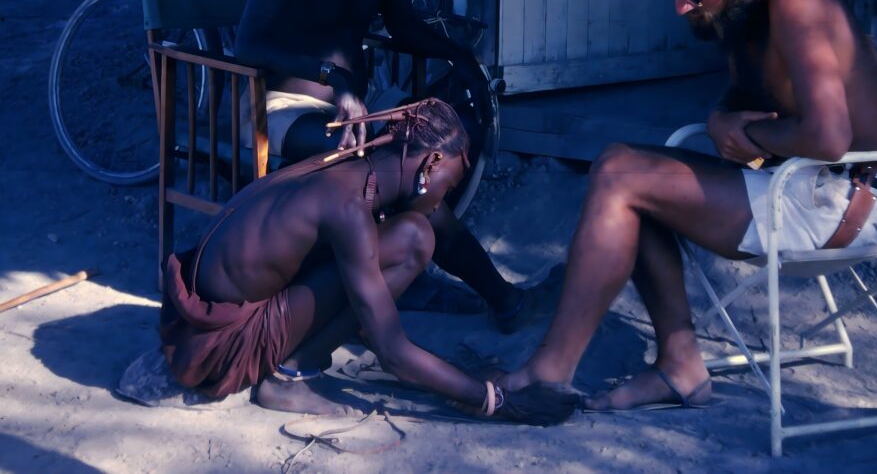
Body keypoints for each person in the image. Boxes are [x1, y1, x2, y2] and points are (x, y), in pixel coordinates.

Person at [500, 0, 877, 410]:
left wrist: (754, 140)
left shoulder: (798, 2)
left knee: (621, 177)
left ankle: (550, 371)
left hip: (845, 202)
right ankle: (678, 366)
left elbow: (829, 138)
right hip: (800, 182)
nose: (682, 7)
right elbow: (742, 99)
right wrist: (720, 121)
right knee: (618, 170)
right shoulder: (741, 5)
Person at [233, 0, 538, 332]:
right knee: (396, 166)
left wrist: (460, 56)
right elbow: (248, 44)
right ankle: (492, 294)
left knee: (426, 152)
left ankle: (412, 270)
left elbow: (402, 26)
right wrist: (332, 78)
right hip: (278, 105)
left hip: (358, 109)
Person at [160, 99, 578, 424]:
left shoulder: (348, 164)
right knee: (414, 238)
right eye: (449, 185)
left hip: (201, 311)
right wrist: (493, 399)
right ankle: (291, 377)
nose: (443, 198)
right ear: (430, 164)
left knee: (410, 232)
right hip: (221, 345)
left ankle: (302, 356)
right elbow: (393, 353)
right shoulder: (347, 209)